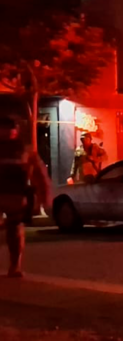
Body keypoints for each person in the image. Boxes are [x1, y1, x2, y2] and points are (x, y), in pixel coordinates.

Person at [0, 116, 50, 277]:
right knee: (14, 230)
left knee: (15, 231)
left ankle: (15, 266)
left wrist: (44, 196)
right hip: (10, 195)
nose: (8, 131)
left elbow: (40, 175)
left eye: (10, 127)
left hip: (16, 196)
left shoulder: (25, 150)